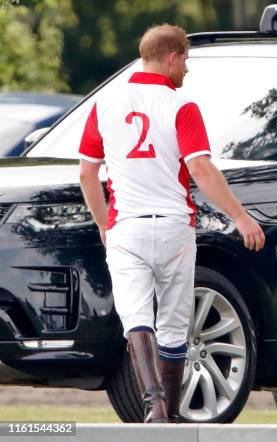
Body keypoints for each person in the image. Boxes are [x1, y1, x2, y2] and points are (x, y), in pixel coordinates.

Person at [78, 24, 265, 423]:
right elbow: (199, 167)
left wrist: (102, 225)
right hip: (174, 226)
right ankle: (173, 412)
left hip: (125, 225)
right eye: (187, 62)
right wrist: (240, 215)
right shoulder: (180, 105)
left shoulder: (104, 103)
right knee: (175, 323)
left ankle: (155, 406)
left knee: (136, 318)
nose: (187, 72)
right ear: (173, 56)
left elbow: (87, 174)